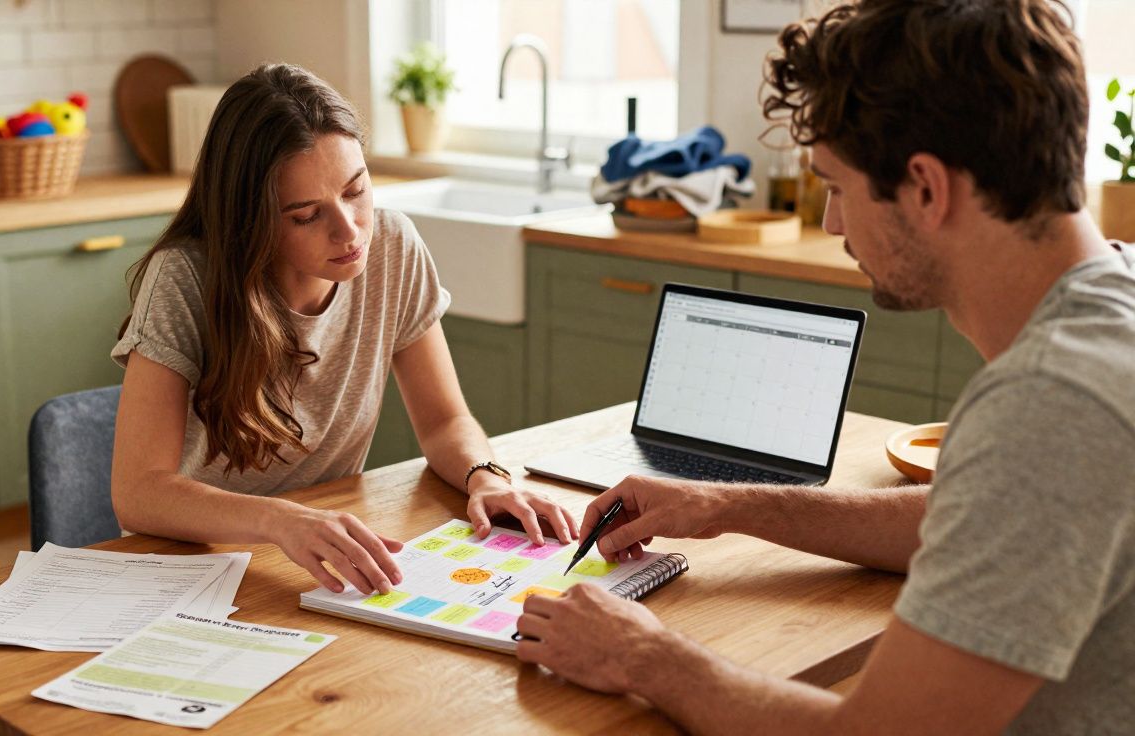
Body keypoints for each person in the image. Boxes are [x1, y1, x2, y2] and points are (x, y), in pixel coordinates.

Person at [514, 1, 1134, 733]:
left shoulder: (1050, 403)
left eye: (836, 188)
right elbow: (971, 520)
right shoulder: (1114, 303)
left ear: (927, 188)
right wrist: (722, 504)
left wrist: (644, 656)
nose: (834, 223)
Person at [110, 64, 577, 599]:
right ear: (249, 220)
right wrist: (281, 520)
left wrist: (487, 478)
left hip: (317, 547)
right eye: (306, 215)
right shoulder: (185, 277)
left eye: (356, 190)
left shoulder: (394, 247)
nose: (350, 230)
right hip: (193, 562)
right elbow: (139, 493)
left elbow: (445, 421)